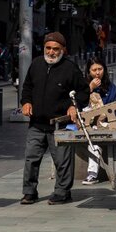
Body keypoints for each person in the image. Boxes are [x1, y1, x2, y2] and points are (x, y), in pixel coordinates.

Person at [20, 31, 89, 205]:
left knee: (62, 161)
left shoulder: (70, 68)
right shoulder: (36, 64)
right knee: (31, 159)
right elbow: (27, 87)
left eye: (55, 49)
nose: (51, 52)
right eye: (48, 48)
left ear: (63, 50)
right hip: (37, 124)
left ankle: (62, 192)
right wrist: (26, 102)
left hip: (60, 124)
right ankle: (29, 192)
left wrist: (74, 106)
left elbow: (83, 91)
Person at [82, 57, 116, 185]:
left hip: (107, 121)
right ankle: (92, 174)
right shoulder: (83, 86)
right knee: (94, 139)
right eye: (94, 70)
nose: (97, 73)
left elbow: (115, 106)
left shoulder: (111, 87)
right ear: (88, 71)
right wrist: (90, 88)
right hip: (89, 123)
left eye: (100, 69)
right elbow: (79, 102)